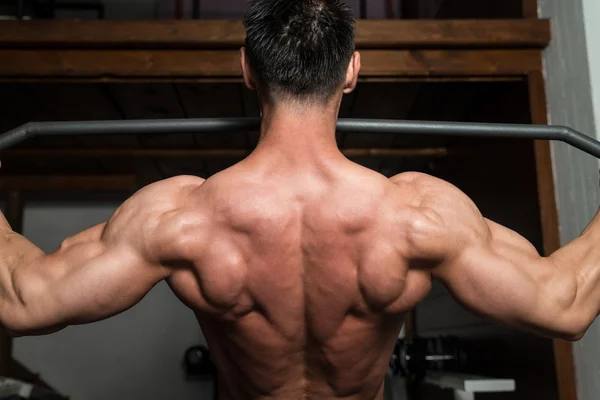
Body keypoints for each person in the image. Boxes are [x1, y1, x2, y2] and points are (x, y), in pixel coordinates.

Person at [0, 0, 596, 399]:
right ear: (352, 71)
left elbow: (25, 300)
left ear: (247, 71)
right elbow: (563, 305)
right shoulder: (417, 216)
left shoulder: (181, 219)